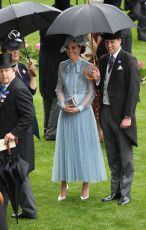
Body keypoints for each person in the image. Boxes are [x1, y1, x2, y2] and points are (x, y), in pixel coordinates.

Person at [52, 35, 107, 201]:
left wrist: (80, 107)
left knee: (84, 147)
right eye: (68, 48)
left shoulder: (89, 67)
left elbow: (92, 92)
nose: (71, 51)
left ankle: (85, 184)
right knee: (65, 147)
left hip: (83, 113)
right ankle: (63, 183)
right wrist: (62, 104)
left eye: (74, 48)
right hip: (66, 112)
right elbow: (59, 89)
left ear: (80, 48)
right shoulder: (62, 66)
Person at [92, 31, 140, 205]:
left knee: (125, 156)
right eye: (107, 43)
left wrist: (128, 116)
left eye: (113, 42)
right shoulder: (104, 60)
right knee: (112, 154)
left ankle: (125, 193)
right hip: (106, 113)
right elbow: (100, 87)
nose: (109, 45)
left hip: (122, 116)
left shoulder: (129, 60)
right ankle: (115, 191)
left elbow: (134, 91)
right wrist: (97, 80)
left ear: (120, 41)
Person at [0, 53, 37, 218]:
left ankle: (29, 211)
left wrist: (13, 133)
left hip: (18, 143)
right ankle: (12, 208)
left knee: (18, 175)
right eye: (0, 71)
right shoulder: (4, 87)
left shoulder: (19, 88)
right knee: (6, 174)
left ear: (13, 70)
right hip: (5, 143)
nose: (3, 74)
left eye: (6, 70)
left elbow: (29, 116)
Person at [39, 0, 72, 140]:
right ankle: (51, 131)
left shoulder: (47, 14)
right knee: (55, 95)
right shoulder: (67, 16)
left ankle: (48, 127)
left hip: (46, 61)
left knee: (48, 94)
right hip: (56, 61)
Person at [1, 30, 40, 139]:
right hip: (14, 120)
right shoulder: (4, 73)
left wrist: (32, 75)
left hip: (26, 115)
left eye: (17, 48)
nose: (15, 51)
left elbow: (32, 91)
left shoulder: (22, 67)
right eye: (12, 49)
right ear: (5, 51)